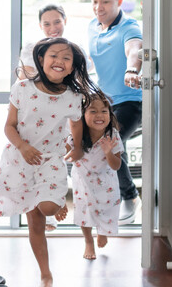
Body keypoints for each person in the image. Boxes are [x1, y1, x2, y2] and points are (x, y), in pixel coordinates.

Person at [0, 37, 98, 287]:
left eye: (66, 58)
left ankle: (56, 199)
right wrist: (23, 146)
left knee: (49, 209)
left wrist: (77, 147)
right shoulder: (22, 88)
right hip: (21, 158)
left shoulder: (73, 96)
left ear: (72, 67)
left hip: (50, 159)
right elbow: (8, 126)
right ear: (41, 59)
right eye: (54, 55)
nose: (59, 61)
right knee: (35, 221)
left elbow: (76, 122)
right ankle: (45, 273)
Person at [16, 4, 86, 231]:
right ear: (40, 26)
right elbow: (24, 74)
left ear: (65, 21)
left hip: (63, 110)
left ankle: (54, 202)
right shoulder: (32, 48)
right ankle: (45, 211)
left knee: (57, 156)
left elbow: (80, 81)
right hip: (36, 112)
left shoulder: (74, 50)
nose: (52, 27)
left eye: (57, 22)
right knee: (34, 160)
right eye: (47, 23)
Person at [86, 0, 142, 225]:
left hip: (131, 101)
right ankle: (114, 199)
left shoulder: (129, 27)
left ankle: (130, 196)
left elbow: (135, 49)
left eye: (105, 1)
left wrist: (132, 70)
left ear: (119, 1)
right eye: (95, 1)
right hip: (104, 102)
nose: (99, 7)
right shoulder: (92, 27)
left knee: (109, 139)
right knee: (113, 143)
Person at [65, 92, 123, 260]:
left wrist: (108, 152)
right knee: (85, 211)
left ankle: (103, 231)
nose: (99, 116)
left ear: (110, 115)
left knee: (107, 208)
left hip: (107, 181)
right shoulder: (77, 135)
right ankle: (88, 241)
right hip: (83, 180)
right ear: (82, 115)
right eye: (93, 111)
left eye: (104, 111)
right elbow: (66, 151)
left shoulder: (112, 135)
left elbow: (116, 165)